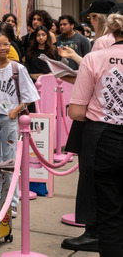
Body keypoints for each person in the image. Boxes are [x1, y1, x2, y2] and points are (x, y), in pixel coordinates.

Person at [68, 13, 123, 257]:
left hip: (104, 140)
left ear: (112, 31)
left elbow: (76, 112)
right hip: (104, 139)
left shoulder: (94, 58)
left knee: (108, 214)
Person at [0, 30, 39, 217]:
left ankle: (12, 202)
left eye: (6, 44)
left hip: (10, 119)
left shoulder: (17, 68)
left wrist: (16, 110)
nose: (3, 48)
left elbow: (29, 96)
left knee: (10, 161)